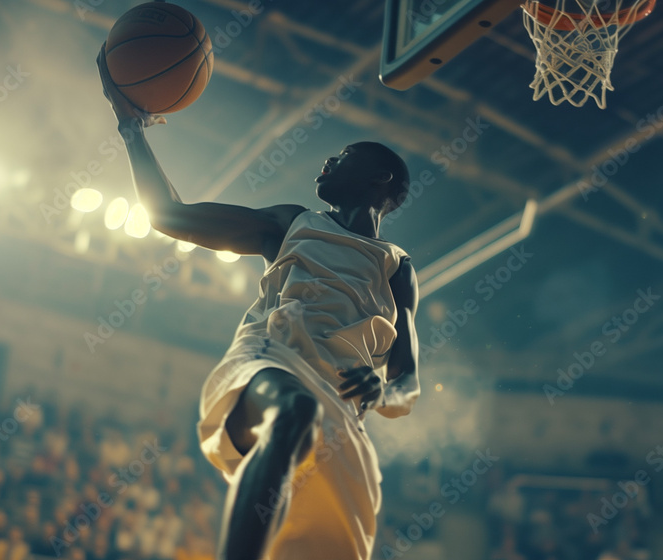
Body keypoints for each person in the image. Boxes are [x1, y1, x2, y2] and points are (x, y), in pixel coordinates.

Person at [97, 46, 421, 560]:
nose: (327, 161)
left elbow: (408, 383)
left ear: (379, 178)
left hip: (344, 415)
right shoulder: (291, 222)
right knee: (295, 410)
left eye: (342, 157)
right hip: (275, 360)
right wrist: (130, 129)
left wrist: (383, 392)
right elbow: (168, 215)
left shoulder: (397, 266)